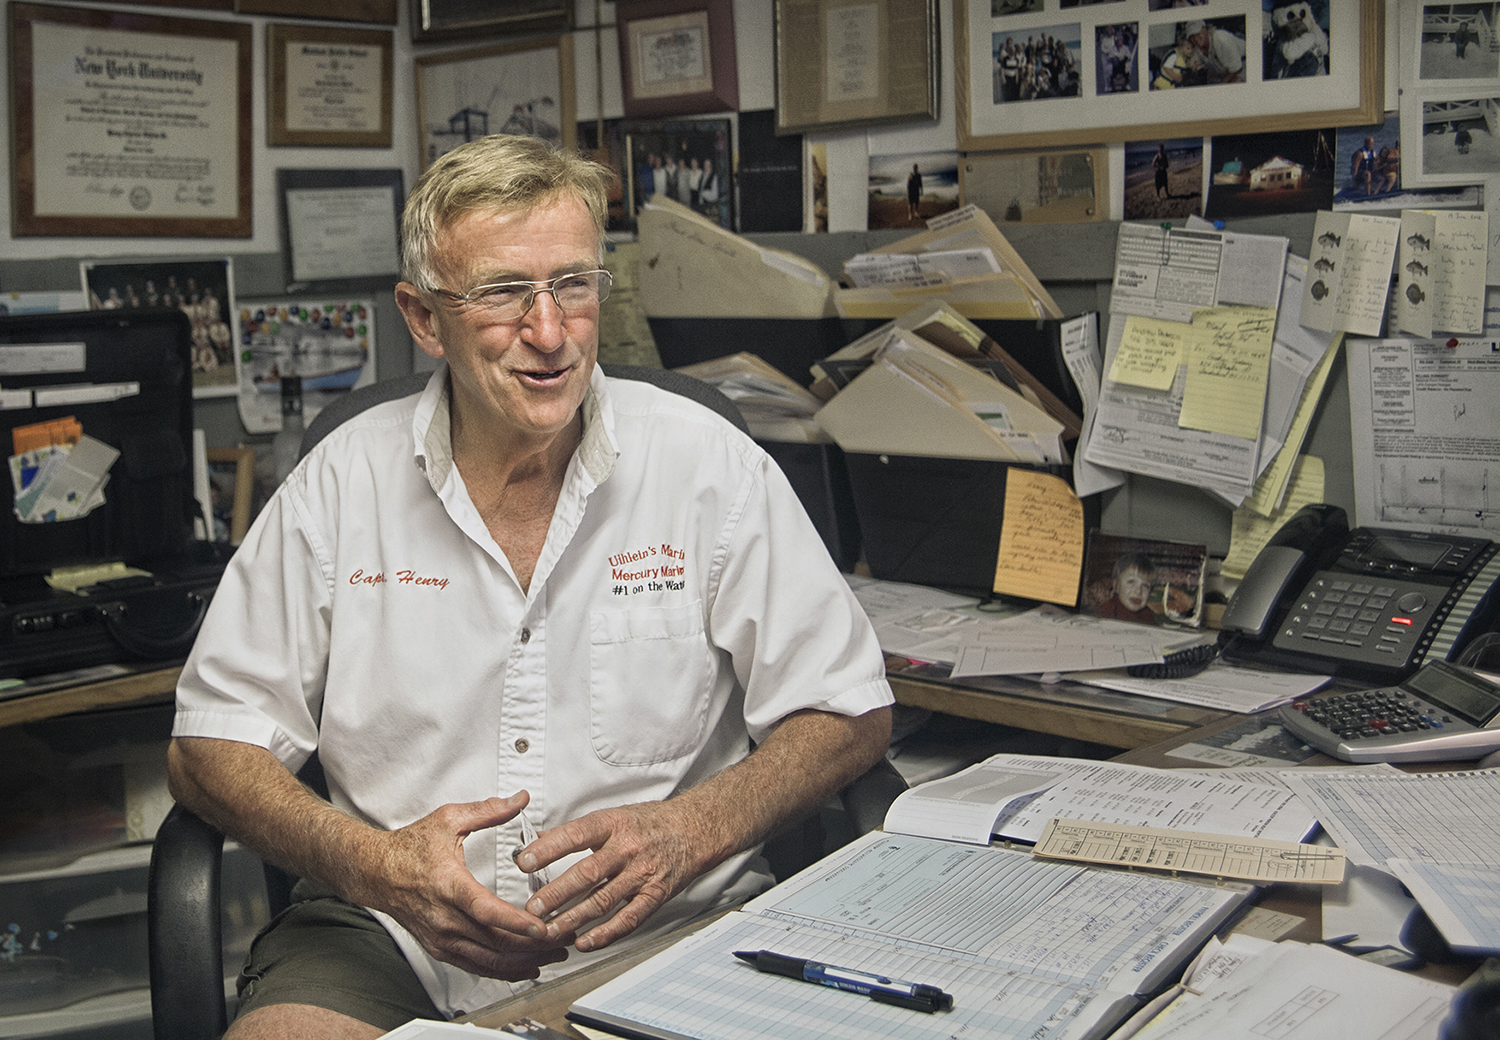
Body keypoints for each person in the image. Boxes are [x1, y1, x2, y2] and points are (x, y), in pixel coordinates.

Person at [167, 134, 894, 1038]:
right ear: (425, 318)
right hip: (388, 941)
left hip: (671, 928)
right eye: (504, 293)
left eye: (573, 286)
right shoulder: (340, 484)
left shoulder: (709, 467)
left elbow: (849, 709)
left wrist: (694, 829)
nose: (549, 333)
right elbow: (209, 748)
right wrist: (376, 866)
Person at [1093, 553, 1158, 625]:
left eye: (1145, 586)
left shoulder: (1147, 614)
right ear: (1116, 586)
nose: (1138, 591)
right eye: (1131, 582)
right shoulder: (1107, 610)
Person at [1185, 19, 1245, 83]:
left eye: (1197, 33)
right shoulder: (1197, 47)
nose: (1195, 39)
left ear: (1205, 29)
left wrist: (1222, 83)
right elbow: (1194, 63)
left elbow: (1237, 68)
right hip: (1227, 73)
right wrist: (1194, 67)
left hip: (1245, 64)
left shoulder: (1220, 38)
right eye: (1192, 36)